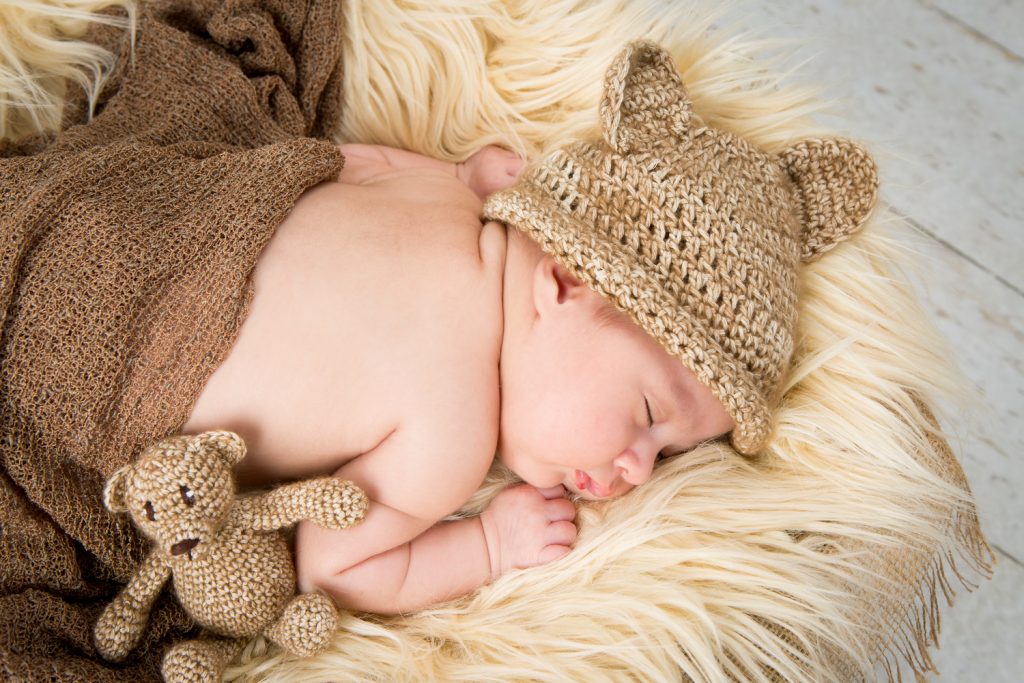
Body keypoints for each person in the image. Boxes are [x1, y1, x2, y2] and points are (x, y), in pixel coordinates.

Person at [182, 41, 877, 615]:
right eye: (646, 413)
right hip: (132, 365)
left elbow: (335, 162)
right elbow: (329, 568)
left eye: (663, 456)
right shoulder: (452, 433)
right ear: (567, 282)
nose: (637, 469)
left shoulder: (443, 195)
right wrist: (487, 544)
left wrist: (458, 169)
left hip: (146, 211)